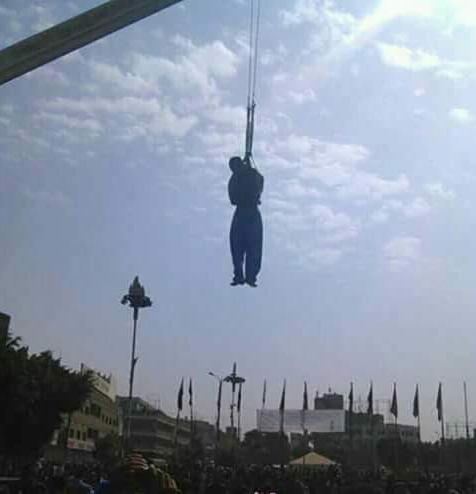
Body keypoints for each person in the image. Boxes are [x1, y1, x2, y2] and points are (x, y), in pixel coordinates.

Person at [228, 156, 264, 287]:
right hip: (241, 212)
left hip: (252, 211)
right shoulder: (234, 179)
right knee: (236, 245)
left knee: (254, 246)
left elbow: (260, 181)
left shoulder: (252, 173)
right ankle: (239, 274)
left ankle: (251, 276)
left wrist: (249, 171)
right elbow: (233, 199)